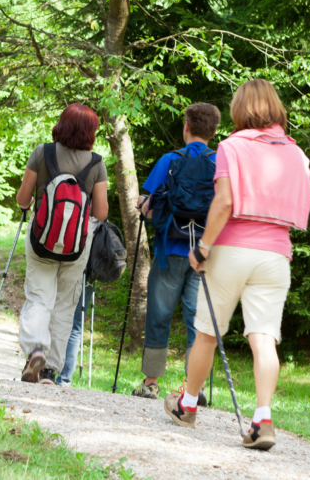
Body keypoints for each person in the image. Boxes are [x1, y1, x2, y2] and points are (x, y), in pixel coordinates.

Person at [163, 80, 310, 451]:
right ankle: (262, 419)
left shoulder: (232, 147)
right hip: (277, 253)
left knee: (207, 332)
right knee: (264, 337)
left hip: (232, 248)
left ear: (239, 109)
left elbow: (225, 201)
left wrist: (203, 247)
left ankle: (188, 404)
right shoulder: (297, 153)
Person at [132, 103, 221, 401]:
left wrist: (142, 204)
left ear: (186, 127)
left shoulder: (170, 160)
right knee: (198, 319)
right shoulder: (221, 163)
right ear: (214, 131)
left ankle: (151, 382)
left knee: (159, 313)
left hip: (170, 248)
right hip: (205, 254)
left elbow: (149, 205)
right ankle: (194, 388)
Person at [16, 103, 109, 385]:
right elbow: (101, 213)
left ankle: (35, 350)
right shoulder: (97, 163)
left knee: (39, 298)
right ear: (90, 132)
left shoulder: (41, 153)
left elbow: (23, 199)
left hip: (41, 241)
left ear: (62, 124)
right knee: (65, 306)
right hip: (76, 247)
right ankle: (49, 371)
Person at [56, 277, 95, 386]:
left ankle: (45, 373)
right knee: (76, 328)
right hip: (89, 275)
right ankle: (64, 379)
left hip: (68, 270)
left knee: (55, 319)